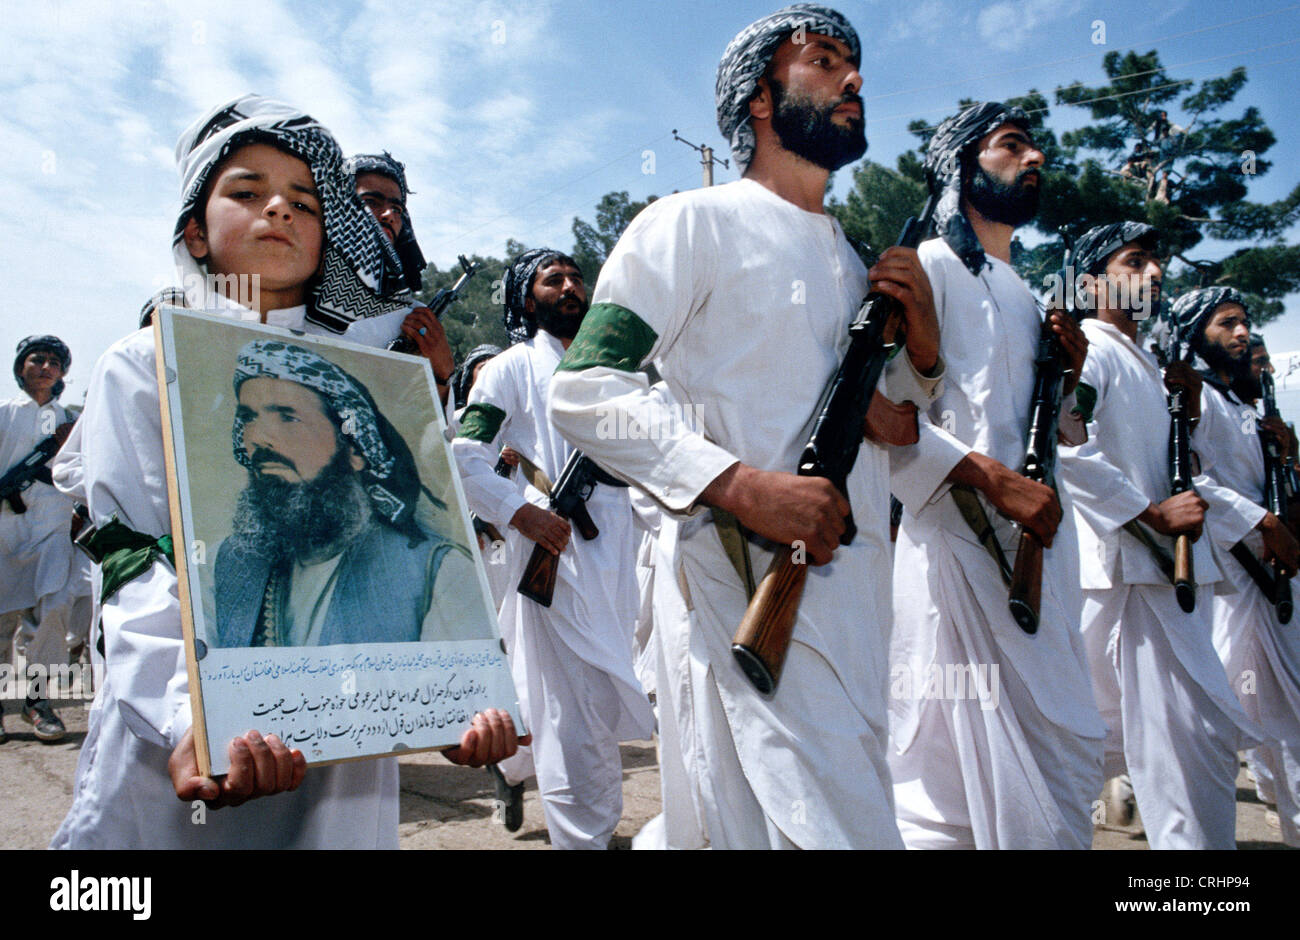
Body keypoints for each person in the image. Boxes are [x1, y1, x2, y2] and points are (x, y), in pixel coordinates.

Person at [49, 95, 521, 849]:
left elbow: (436, 584)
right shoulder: (141, 367)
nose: (279, 210)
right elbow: (134, 565)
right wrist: (190, 721)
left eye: (305, 200)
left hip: (346, 778)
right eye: (246, 192)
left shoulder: (379, 380)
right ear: (195, 233)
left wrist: (458, 710)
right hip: (179, 752)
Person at [550, 4, 948, 849]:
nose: (854, 78)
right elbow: (585, 388)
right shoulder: (687, 223)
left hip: (855, 606)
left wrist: (924, 348)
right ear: (761, 98)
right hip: (741, 582)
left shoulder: (855, 262)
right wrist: (739, 485)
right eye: (826, 59)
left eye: (856, 62)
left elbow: (898, 427)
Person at [887, 101, 1107, 849]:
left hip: (1042, 551)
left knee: (1061, 753)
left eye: (1034, 146)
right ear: (960, 167)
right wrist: (991, 479)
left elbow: (1062, 435)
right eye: (1011, 146)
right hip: (958, 548)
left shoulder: (1023, 292)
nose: (1034, 157)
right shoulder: (927, 269)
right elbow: (885, 412)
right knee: (944, 787)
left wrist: (1069, 381)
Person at [1057, 222, 1261, 848]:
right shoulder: (1091, 347)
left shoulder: (1149, 362)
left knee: (1178, 743)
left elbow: (1182, 469)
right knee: (1173, 745)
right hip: (1124, 574)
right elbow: (1065, 446)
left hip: (1160, 579)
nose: (1154, 273)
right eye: (1135, 261)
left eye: (1157, 262)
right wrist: (1149, 513)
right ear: (1091, 281)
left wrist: (1189, 413)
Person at [453, 247, 653, 849]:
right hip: (555, 555)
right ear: (526, 297)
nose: (570, 286)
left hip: (623, 551)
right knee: (575, 711)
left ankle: (525, 776)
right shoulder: (509, 368)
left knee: (595, 701)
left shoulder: (616, 374)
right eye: (552, 279)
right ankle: (584, 837)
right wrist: (524, 514)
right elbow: (463, 458)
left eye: (575, 278)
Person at [213, 339, 484, 648]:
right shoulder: (229, 564)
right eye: (249, 417)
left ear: (355, 449)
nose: (259, 438)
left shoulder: (438, 573)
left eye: (287, 417)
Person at [1167, 286, 1300, 848]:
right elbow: (1189, 479)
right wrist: (1262, 524)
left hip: (1271, 589)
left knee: (1275, 722)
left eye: (1246, 322)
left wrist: (1289, 454)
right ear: (1198, 334)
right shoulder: (1193, 398)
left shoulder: (1245, 407)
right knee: (1219, 719)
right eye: (1228, 324)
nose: (1243, 334)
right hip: (1234, 582)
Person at [0, 335, 90, 743]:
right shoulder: (4, 414)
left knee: (54, 608)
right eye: (37, 359)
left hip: (52, 529)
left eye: (54, 361)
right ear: (22, 367)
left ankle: (38, 702)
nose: (45, 367)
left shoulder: (71, 422)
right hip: (4, 531)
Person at [345, 152, 456, 405]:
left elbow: (428, 429)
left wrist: (441, 373)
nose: (388, 215)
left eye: (397, 208)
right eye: (372, 201)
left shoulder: (414, 317)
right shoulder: (284, 296)